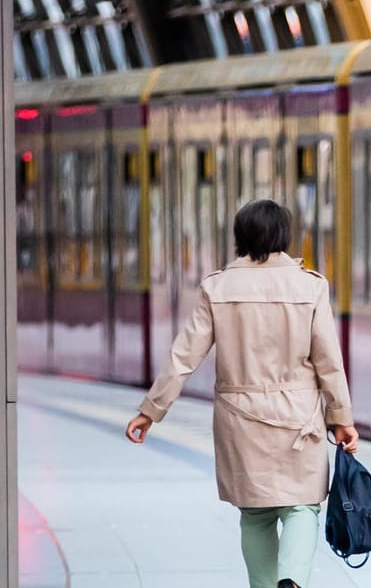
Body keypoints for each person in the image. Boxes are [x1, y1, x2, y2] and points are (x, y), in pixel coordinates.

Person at [125, 199, 358, 588]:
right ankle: (293, 581)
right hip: (298, 416)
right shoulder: (310, 286)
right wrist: (341, 419)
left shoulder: (217, 287)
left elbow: (184, 356)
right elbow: (328, 362)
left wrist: (151, 410)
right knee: (301, 506)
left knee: (256, 514)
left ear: (239, 237)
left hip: (239, 417)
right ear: (284, 236)